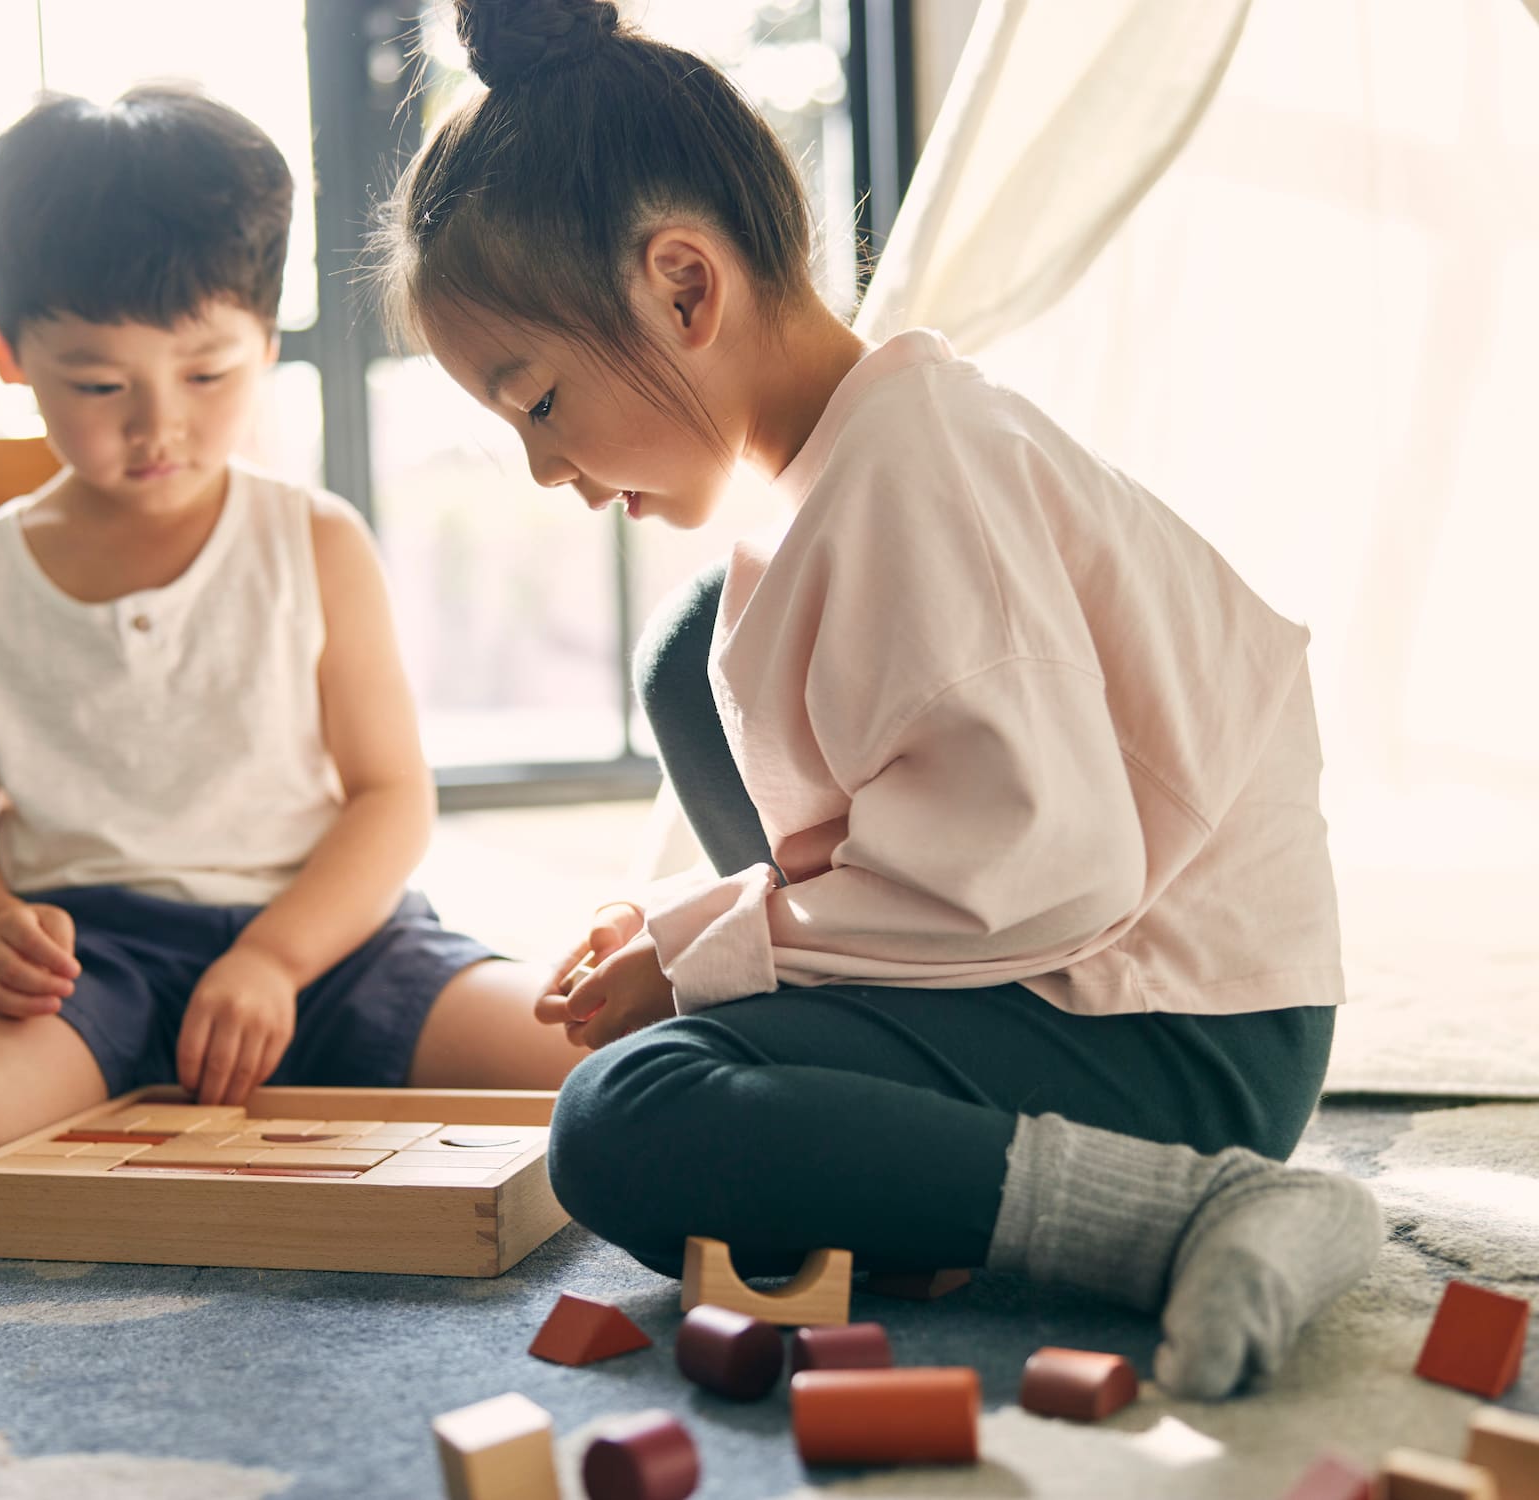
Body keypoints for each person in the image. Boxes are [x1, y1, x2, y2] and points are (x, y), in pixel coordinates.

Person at [374, 0, 1382, 1401]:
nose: (545, 471)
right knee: (688, 658)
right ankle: (894, 1152)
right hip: (1077, 955)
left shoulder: (917, 481)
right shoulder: (839, 463)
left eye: (537, 403)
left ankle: (1186, 1210)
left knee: (621, 1121)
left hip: (1173, 1028)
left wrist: (705, 950)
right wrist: (707, 941)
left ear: (683, 289)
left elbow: (1040, 873)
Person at [0, 84, 581, 1216]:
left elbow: (388, 799)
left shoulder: (312, 539)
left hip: (322, 945)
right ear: (9, 353)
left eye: (207, 374)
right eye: (99, 384)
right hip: (89, 962)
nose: (157, 425)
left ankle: (7, 1055)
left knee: (589, 1070)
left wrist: (271, 958)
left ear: (267, 340)